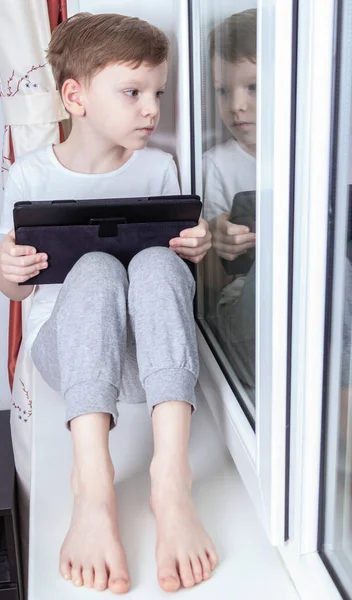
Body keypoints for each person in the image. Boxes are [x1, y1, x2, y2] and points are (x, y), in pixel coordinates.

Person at [0, 12, 217, 595]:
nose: (152, 110)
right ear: (76, 96)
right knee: (94, 268)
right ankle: (92, 486)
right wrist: (7, 270)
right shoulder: (31, 175)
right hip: (72, 362)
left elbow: (171, 280)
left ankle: (171, 479)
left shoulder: (157, 168)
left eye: (158, 93)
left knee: (155, 262)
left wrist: (196, 248)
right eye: (133, 92)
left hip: (149, 364)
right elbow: (16, 290)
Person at [203, 8, 257, 390]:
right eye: (223, 91)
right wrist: (213, 235)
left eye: (253, 87)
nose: (236, 105)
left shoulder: (328, 157)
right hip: (246, 300)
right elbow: (209, 282)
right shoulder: (217, 165)